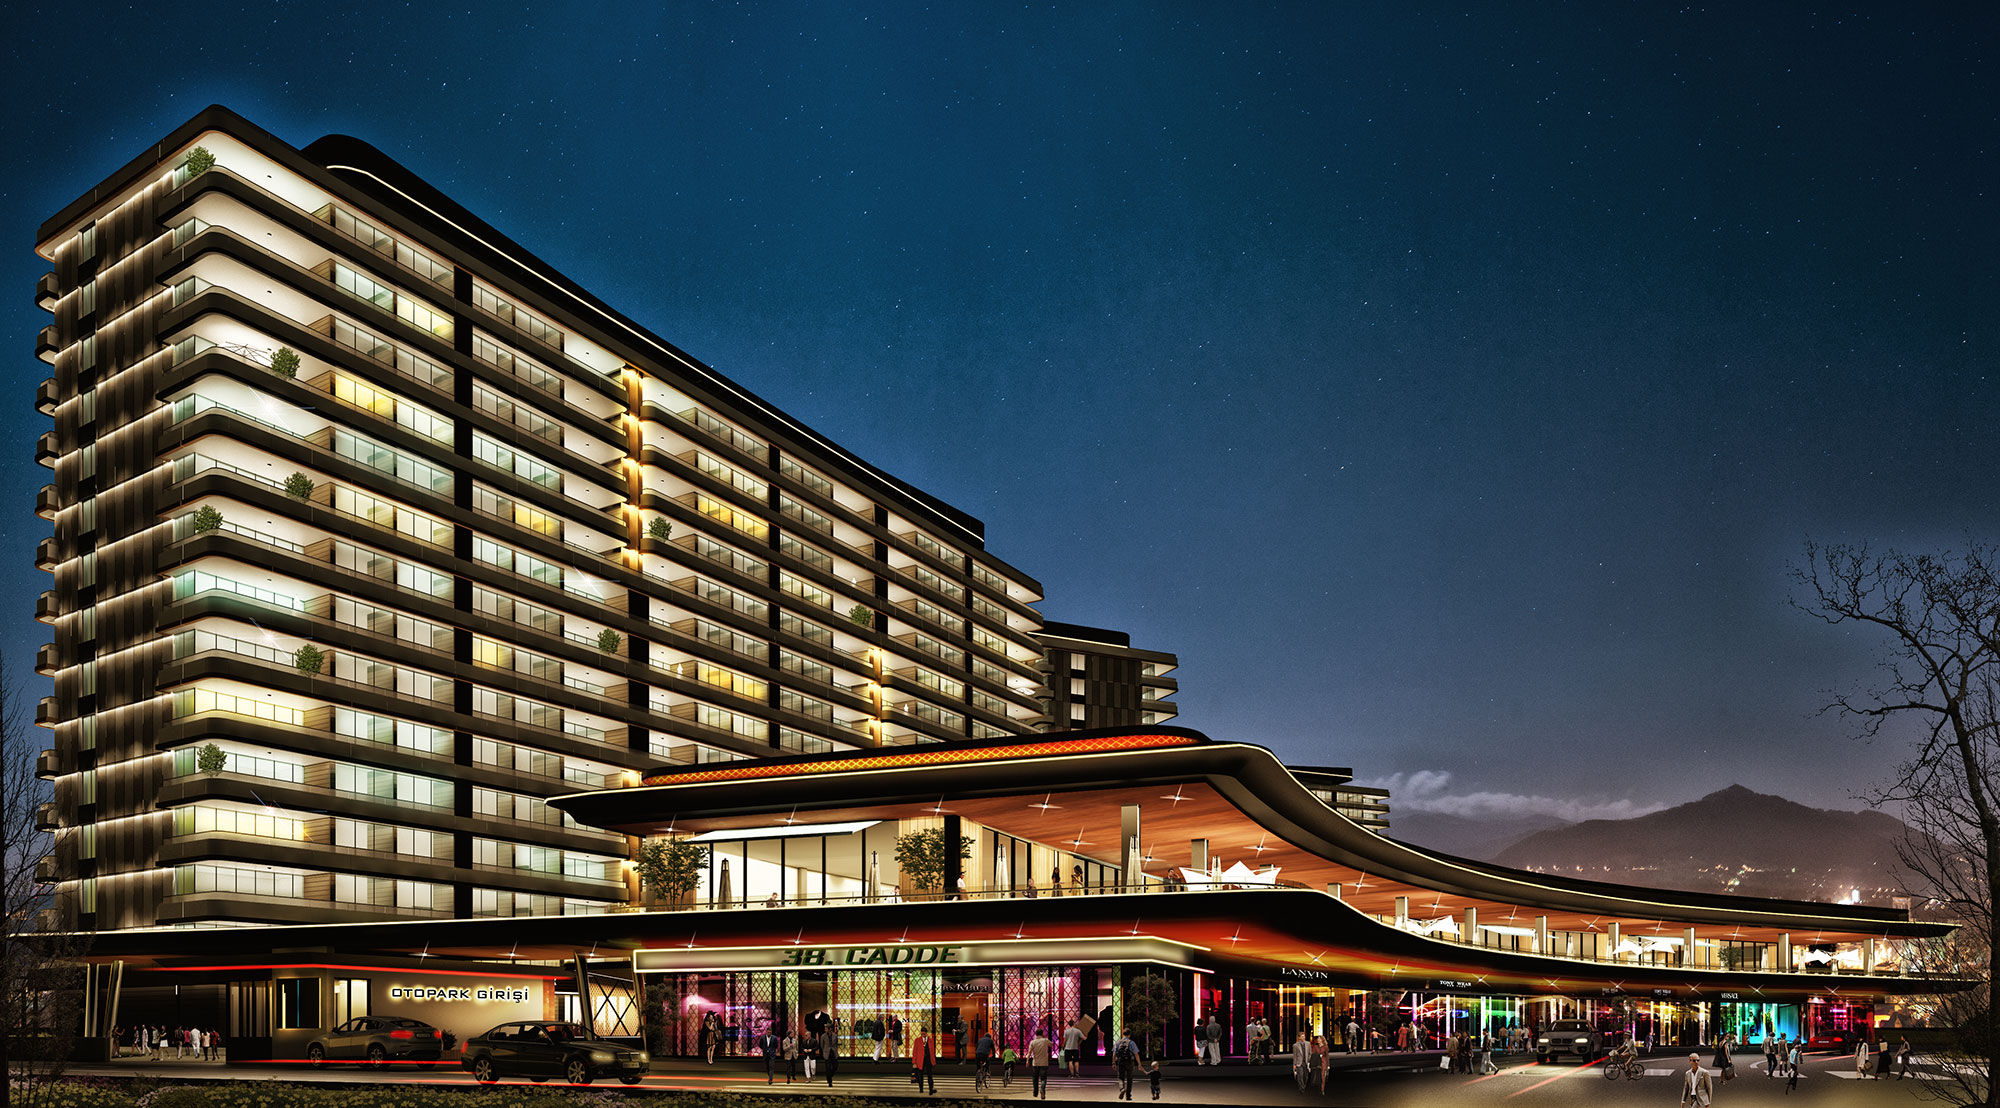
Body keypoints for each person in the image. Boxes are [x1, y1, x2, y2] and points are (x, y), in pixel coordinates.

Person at [910, 1024, 936, 1095]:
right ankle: (921, 1089)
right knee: (920, 1075)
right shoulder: (917, 1040)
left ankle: (931, 1089)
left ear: (926, 1033)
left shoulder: (931, 1040)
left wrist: (933, 1061)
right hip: (920, 1060)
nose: (923, 1034)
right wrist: (914, 1062)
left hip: (928, 1060)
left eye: (924, 1033)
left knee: (929, 1075)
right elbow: (914, 1051)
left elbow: (932, 1051)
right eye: (922, 1033)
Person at [1113, 1030, 1139, 1100]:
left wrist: (1113, 1063)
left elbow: (1114, 1054)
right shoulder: (1131, 1042)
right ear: (1129, 1035)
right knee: (1129, 1079)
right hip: (1130, 1062)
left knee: (1121, 1077)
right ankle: (1128, 1096)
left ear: (1123, 1034)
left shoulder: (1118, 1042)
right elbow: (1136, 1054)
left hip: (1121, 1061)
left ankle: (1122, 1089)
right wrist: (1139, 1063)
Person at [1029, 1027, 1053, 1098]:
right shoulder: (1045, 1040)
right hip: (1044, 1063)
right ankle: (1042, 1089)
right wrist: (1044, 1036)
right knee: (1043, 1079)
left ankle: (1035, 1093)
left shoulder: (1033, 1042)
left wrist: (1027, 1060)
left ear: (1036, 1034)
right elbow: (1051, 1044)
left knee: (1035, 1078)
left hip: (1035, 1063)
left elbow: (1029, 1052)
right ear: (1042, 1033)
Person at [819, 1021, 838, 1087]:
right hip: (827, 1053)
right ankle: (829, 1081)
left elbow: (836, 1044)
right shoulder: (823, 1036)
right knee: (828, 1068)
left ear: (830, 1029)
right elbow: (822, 1045)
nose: (825, 1029)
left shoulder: (835, 1036)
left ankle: (830, 1075)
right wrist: (824, 1051)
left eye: (826, 1028)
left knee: (835, 1066)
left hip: (833, 1052)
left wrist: (835, 1051)